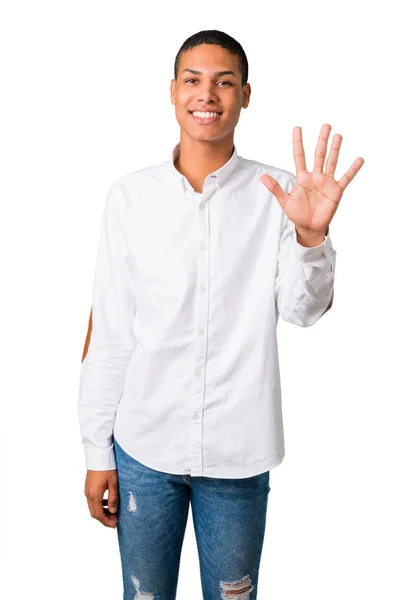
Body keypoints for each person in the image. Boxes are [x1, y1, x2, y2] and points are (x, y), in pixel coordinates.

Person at [78, 29, 364, 600]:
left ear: (246, 95)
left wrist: (312, 236)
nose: (207, 95)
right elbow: (109, 331)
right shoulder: (129, 197)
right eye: (193, 80)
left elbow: (303, 311)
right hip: (143, 451)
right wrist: (95, 450)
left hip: (239, 452)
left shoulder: (281, 193)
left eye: (224, 82)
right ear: (173, 91)